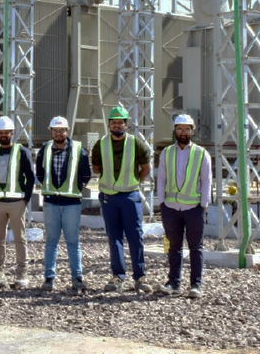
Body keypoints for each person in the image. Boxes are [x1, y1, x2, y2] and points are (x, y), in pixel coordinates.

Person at [91, 105, 153, 293]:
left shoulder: (136, 143)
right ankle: (118, 275)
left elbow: (146, 168)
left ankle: (140, 276)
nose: (117, 126)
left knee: (135, 236)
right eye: (114, 123)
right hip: (109, 197)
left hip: (129, 196)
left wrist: (134, 182)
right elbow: (96, 168)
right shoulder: (100, 144)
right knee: (114, 237)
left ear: (126, 124)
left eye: (120, 122)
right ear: (109, 125)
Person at [156, 114, 212, 299]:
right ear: (174, 130)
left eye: (187, 129)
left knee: (196, 248)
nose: (183, 132)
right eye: (180, 129)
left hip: (193, 208)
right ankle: (174, 283)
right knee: (174, 247)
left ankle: (196, 285)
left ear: (192, 131)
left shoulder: (201, 154)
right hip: (171, 208)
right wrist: (162, 202)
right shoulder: (166, 153)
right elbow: (161, 178)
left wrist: (203, 205)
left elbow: (206, 180)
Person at [35, 116, 92, 291]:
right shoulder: (45, 149)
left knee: (72, 241)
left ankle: (77, 277)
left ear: (67, 131)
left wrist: (77, 188)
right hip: (51, 202)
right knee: (51, 241)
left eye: (62, 131)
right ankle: (49, 278)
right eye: (55, 130)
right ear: (51, 132)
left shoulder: (78, 149)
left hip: (71, 203)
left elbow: (86, 174)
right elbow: (39, 172)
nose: (58, 134)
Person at [0, 116, 35, 289]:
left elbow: (31, 177)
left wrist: (25, 200)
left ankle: (22, 274)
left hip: (16, 203)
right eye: (1, 132)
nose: (4, 135)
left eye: (7, 132)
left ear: (12, 133)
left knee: (20, 239)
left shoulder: (22, 151)